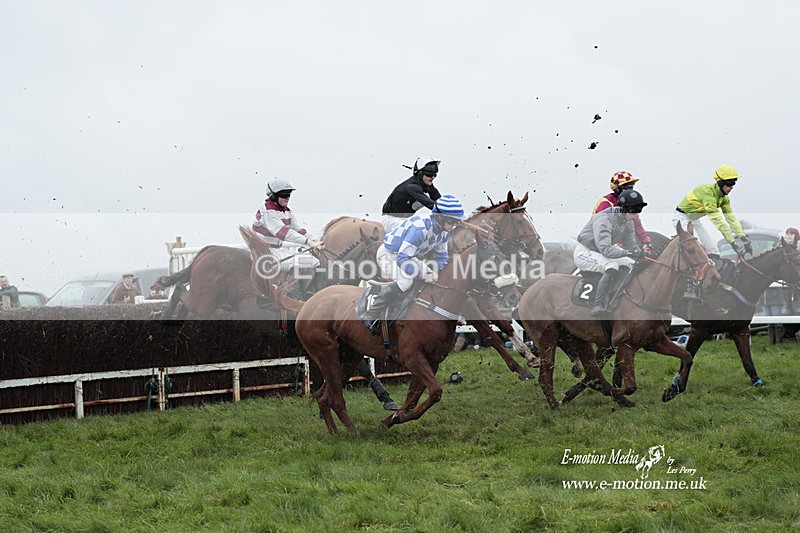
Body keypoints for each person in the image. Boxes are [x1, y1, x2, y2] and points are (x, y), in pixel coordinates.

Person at [365, 194, 467, 333]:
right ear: (439, 217)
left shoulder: (443, 232)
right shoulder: (420, 229)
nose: (454, 225)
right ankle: (371, 314)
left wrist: (435, 272)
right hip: (389, 254)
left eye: (456, 221)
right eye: (451, 221)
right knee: (406, 281)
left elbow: (442, 257)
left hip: (408, 256)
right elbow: (402, 259)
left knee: (433, 278)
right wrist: (422, 275)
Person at [574, 189, 648, 317]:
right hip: (585, 252)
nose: (636, 215)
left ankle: (616, 294)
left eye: (638, 210)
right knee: (611, 266)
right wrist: (629, 252)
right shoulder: (604, 219)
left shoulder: (628, 221)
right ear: (622, 208)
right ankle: (598, 304)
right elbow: (606, 250)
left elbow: (630, 244)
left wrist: (639, 252)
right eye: (633, 210)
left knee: (631, 264)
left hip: (602, 251)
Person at [252, 177, 325, 298]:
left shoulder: (287, 211)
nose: (287, 198)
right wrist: (308, 242)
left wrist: (314, 240)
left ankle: (309, 294)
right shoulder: (268, 211)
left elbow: (298, 230)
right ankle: (292, 299)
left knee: (314, 261)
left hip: (276, 251)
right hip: (264, 252)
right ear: (273, 196)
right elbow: (283, 233)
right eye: (284, 194)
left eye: (289, 195)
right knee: (294, 263)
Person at [674, 165, 750, 261]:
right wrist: (733, 243)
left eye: (734, 183)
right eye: (729, 183)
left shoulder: (724, 199)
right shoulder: (709, 196)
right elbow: (719, 222)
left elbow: (731, 219)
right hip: (682, 218)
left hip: (694, 220)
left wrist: (743, 237)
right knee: (698, 250)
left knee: (713, 251)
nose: (732, 187)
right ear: (721, 183)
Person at [593, 170, 653, 252]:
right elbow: (603, 229)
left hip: (617, 240)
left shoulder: (630, 203)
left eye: (632, 187)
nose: (631, 190)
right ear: (617, 189)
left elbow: (637, 226)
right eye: (628, 187)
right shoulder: (606, 203)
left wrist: (647, 240)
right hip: (600, 243)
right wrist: (618, 243)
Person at [381, 157, 442, 232]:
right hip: (392, 220)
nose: (432, 177)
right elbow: (430, 204)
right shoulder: (412, 187)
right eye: (429, 174)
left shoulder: (428, 186)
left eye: (434, 175)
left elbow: (441, 201)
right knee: (417, 230)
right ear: (420, 173)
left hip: (405, 219)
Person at [782, 227, 800, 316]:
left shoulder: (798, 249)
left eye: (792, 234)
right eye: (787, 234)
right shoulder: (782, 248)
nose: (789, 236)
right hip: (786, 284)